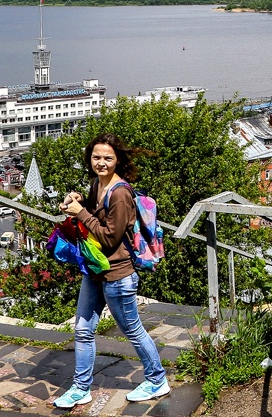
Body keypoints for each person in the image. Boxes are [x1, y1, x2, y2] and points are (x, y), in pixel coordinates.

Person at [52, 133, 170, 409]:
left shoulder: (120, 193)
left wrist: (80, 212)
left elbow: (109, 237)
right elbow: (94, 217)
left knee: (133, 330)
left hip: (118, 274)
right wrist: (77, 201)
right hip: (95, 271)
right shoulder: (97, 185)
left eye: (107, 158)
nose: (101, 163)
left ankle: (157, 380)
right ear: (89, 159)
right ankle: (81, 388)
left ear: (117, 160)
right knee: (82, 329)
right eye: (96, 157)